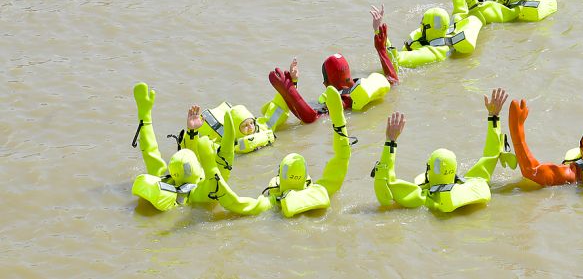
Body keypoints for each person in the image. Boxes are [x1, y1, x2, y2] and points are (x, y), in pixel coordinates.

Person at [130, 83, 270, 214]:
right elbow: (219, 175)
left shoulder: (164, 177)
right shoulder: (200, 191)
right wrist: (210, 162)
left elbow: (150, 150)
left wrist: (144, 116)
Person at [372, 89, 514, 212]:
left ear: (430, 169)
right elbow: (492, 154)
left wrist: (390, 142)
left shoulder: (422, 198)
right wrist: (494, 116)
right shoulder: (475, 180)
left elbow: (386, 187)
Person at [369, 0, 483, 70]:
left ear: (428, 27)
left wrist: (378, 30)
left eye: (423, 23)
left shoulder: (432, 53)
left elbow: (395, 60)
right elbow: (460, 9)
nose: (420, 25)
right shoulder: (450, 31)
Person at [262, 81, 353, 217]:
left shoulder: (272, 201)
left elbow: (236, 204)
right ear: (305, 176)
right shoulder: (320, 191)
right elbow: (342, 158)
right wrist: (339, 125)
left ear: (280, 174)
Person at [264, 49, 396, 126]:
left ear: (326, 83)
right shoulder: (362, 84)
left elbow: (311, 119)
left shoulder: (342, 99)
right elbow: (393, 80)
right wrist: (381, 49)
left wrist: (289, 88)